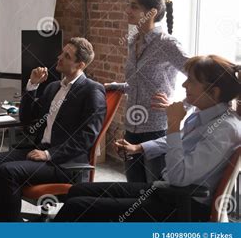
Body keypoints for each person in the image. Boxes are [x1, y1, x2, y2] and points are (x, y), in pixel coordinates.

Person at [55, 55, 241, 222]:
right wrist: (139, 148)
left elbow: (180, 177)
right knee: (77, 190)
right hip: (167, 191)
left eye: (191, 81)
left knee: (78, 206)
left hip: (184, 205)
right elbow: (179, 141)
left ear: (214, 92)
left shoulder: (224, 129)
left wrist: (174, 125)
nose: (184, 86)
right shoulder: (204, 115)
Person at [0, 37, 107, 222]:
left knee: (7, 172)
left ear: (80, 64)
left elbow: (87, 137)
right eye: (62, 52)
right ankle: (10, 220)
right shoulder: (53, 87)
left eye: (66, 56)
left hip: (64, 163)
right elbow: (27, 118)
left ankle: (9, 227)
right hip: (40, 151)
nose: (59, 57)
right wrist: (33, 85)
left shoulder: (92, 90)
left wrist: (49, 155)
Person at [106, 0, 190, 183]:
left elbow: (203, 78)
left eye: (133, 6)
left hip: (157, 130)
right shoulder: (133, 41)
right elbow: (137, 83)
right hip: (131, 127)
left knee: (155, 195)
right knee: (134, 190)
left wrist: (181, 106)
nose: (127, 10)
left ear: (151, 12)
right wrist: (116, 85)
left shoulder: (168, 43)